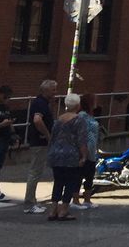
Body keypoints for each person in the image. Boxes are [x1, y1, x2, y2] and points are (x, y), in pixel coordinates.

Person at [45, 93, 88, 221]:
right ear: (78, 105)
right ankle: (63, 210)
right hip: (71, 154)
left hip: (56, 153)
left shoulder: (59, 119)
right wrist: (84, 156)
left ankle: (53, 210)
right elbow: (81, 140)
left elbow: (53, 138)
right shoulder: (79, 120)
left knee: (58, 182)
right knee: (70, 182)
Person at [23, 79, 57, 214]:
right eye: (53, 89)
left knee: (36, 171)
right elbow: (37, 120)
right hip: (39, 142)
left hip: (39, 141)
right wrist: (48, 135)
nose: (55, 92)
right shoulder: (40, 103)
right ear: (46, 90)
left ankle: (32, 201)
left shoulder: (41, 103)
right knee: (35, 172)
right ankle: (29, 203)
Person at [73, 95, 101, 209]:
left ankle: (87, 199)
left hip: (92, 149)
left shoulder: (90, 116)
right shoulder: (82, 116)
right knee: (79, 175)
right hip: (83, 148)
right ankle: (75, 200)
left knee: (89, 175)